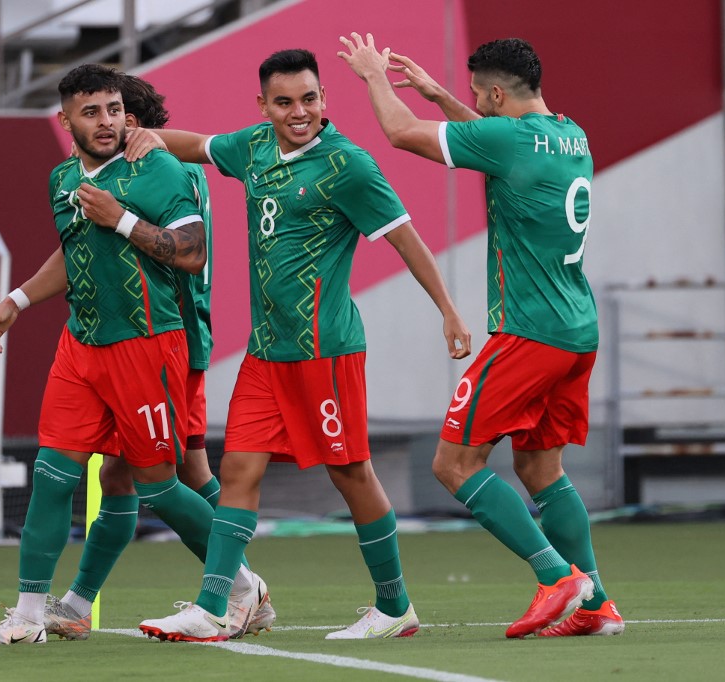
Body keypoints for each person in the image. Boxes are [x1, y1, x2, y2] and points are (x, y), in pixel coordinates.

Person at [115, 48, 471, 642]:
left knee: (351, 474)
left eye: (309, 99)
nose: (299, 111)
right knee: (238, 469)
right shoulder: (253, 147)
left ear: (324, 99)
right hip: (266, 353)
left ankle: (395, 606)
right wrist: (144, 137)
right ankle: (216, 606)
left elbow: (405, 239)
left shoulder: (348, 165)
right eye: (284, 102)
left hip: (325, 353)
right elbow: (199, 145)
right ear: (264, 106)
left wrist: (449, 311)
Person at [0, 64, 266, 646]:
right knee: (52, 475)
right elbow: (75, 249)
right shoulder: (62, 178)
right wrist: (15, 301)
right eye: (92, 112)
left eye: (113, 110)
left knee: (160, 483)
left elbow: (193, 252)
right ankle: (28, 617)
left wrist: (121, 217)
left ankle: (240, 585)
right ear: (66, 120)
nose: (106, 122)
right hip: (81, 344)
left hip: (147, 345)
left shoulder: (159, 169)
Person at [338, 34, 624, 638]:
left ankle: (556, 576)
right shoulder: (570, 133)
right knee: (541, 468)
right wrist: (443, 96)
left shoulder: (508, 138)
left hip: (529, 333)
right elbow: (500, 143)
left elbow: (401, 133)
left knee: (454, 463)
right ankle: (596, 604)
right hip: (576, 331)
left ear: (496, 94)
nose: (473, 103)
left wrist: (373, 76)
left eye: (477, 95)